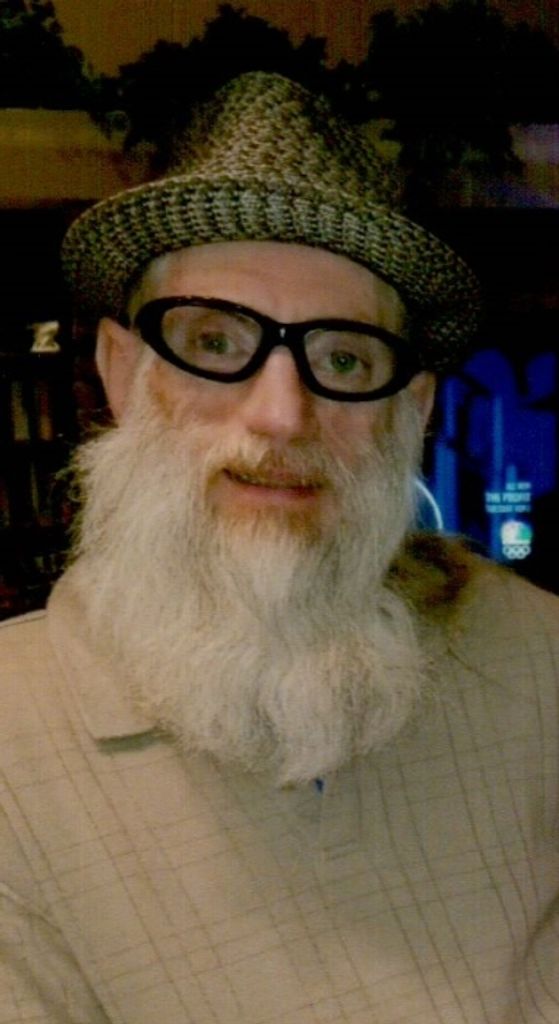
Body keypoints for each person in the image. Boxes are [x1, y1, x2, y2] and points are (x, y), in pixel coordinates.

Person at [0, 71, 557, 1024]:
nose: (281, 413)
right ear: (121, 372)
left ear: (409, 409)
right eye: (215, 343)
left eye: (343, 359)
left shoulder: (538, 654)